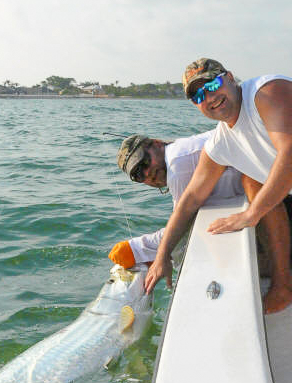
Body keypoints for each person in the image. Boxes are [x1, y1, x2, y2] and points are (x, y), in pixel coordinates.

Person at [144, 58, 292, 314]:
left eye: (213, 84)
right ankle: (282, 284)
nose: (209, 97)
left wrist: (250, 214)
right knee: (252, 179)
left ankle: (282, 285)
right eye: (199, 95)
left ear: (231, 77)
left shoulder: (267, 92)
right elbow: (189, 201)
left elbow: (289, 154)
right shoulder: (220, 144)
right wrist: (162, 255)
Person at [108, 132, 244, 268]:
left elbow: (182, 227)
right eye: (138, 174)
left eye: (145, 162)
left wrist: (135, 249)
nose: (147, 173)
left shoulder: (176, 165)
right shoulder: (178, 153)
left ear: (157, 143)